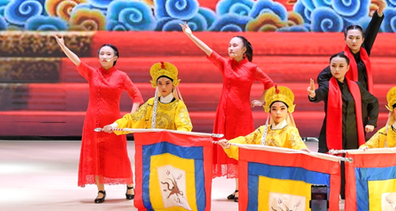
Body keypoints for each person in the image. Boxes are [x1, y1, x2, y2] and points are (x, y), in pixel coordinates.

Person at [180, 22, 275, 200]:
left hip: (242, 115)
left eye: (234, 45)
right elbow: (208, 51)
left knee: (240, 149)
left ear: (244, 49)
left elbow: (269, 83)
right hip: (224, 114)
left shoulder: (252, 68)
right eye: (229, 45)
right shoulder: (225, 64)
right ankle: (237, 189)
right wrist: (190, 35)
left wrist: (261, 100)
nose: (230, 48)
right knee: (228, 147)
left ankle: (243, 189)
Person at [52, 34, 142, 204]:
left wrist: (131, 118)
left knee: (118, 154)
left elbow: (137, 96)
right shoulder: (92, 73)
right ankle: (101, 190)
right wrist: (63, 47)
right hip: (92, 121)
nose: (104, 57)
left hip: (114, 122)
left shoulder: (121, 76)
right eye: (101, 54)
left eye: (108, 54)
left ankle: (130, 185)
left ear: (115, 58)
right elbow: (77, 61)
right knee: (96, 154)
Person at [308, 52, 379, 198]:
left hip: (353, 134)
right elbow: (319, 93)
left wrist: (372, 122)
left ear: (347, 68)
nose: (337, 69)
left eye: (341, 66)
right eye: (333, 66)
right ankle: (325, 200)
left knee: (350, 166)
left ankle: (349, 198)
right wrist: (313, 95)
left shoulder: (356, 86)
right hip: (331, 133)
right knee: (326, 165)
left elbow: (373, 101)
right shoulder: (328, 86)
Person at [217, 85, 308, 164]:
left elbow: (297, 143)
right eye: (274, 109)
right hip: (261, 172)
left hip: (281, 173)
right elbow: (245, 141)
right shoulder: (262, 130)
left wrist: (302, 150)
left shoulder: (290, 131)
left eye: (282, 109)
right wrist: (229, 144)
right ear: (269, 111)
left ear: (287, 111)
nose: (278, 112)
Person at [102, 61, 192, 133]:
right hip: (153, 146)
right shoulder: (151, 104)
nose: (163, 87)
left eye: (167, 83)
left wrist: (173, 136)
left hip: (170, 147)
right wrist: (113, 126)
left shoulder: (178, 105)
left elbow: (184, 127)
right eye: (160, 83)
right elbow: (132, 119)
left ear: (173, 85)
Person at [316, 2, 385, 94]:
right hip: (348, 100)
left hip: (365, 99)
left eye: (357, 38)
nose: (354, 41)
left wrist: (379, 11)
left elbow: (372, 31)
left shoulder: (364, 52)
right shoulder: (341, 59)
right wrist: (334, 91)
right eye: (351, 38)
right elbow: (322, 77)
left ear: (362, 40)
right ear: (345, 39)